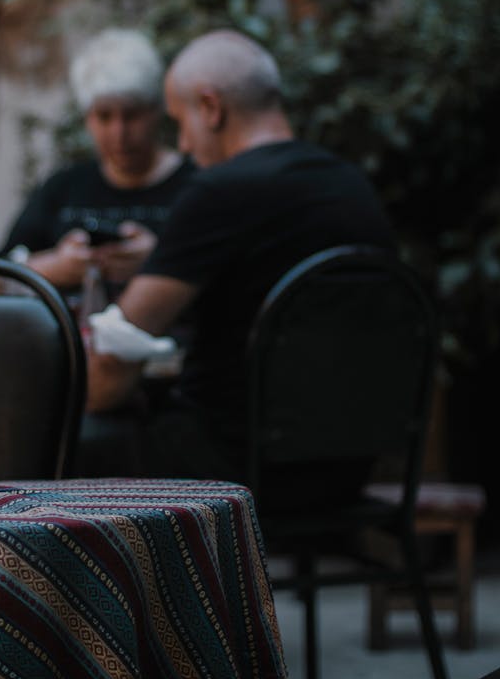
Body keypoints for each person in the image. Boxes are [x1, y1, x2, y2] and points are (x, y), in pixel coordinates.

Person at [77, 28, 396, 486]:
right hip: (348, 462)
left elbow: (110, 368)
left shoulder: (219, 191)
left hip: (231, 467)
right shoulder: (351, 183)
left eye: (180, 121)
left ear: (210, 108)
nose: (183, 145)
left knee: (84, 434)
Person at [0, 28, 194, 305]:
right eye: (104, 117)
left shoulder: (195, 184)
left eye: (132, 114)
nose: (119, 132)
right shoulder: (63, 188)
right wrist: (58, 267)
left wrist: (159, 262)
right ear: (87, 118)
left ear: (157, 110)